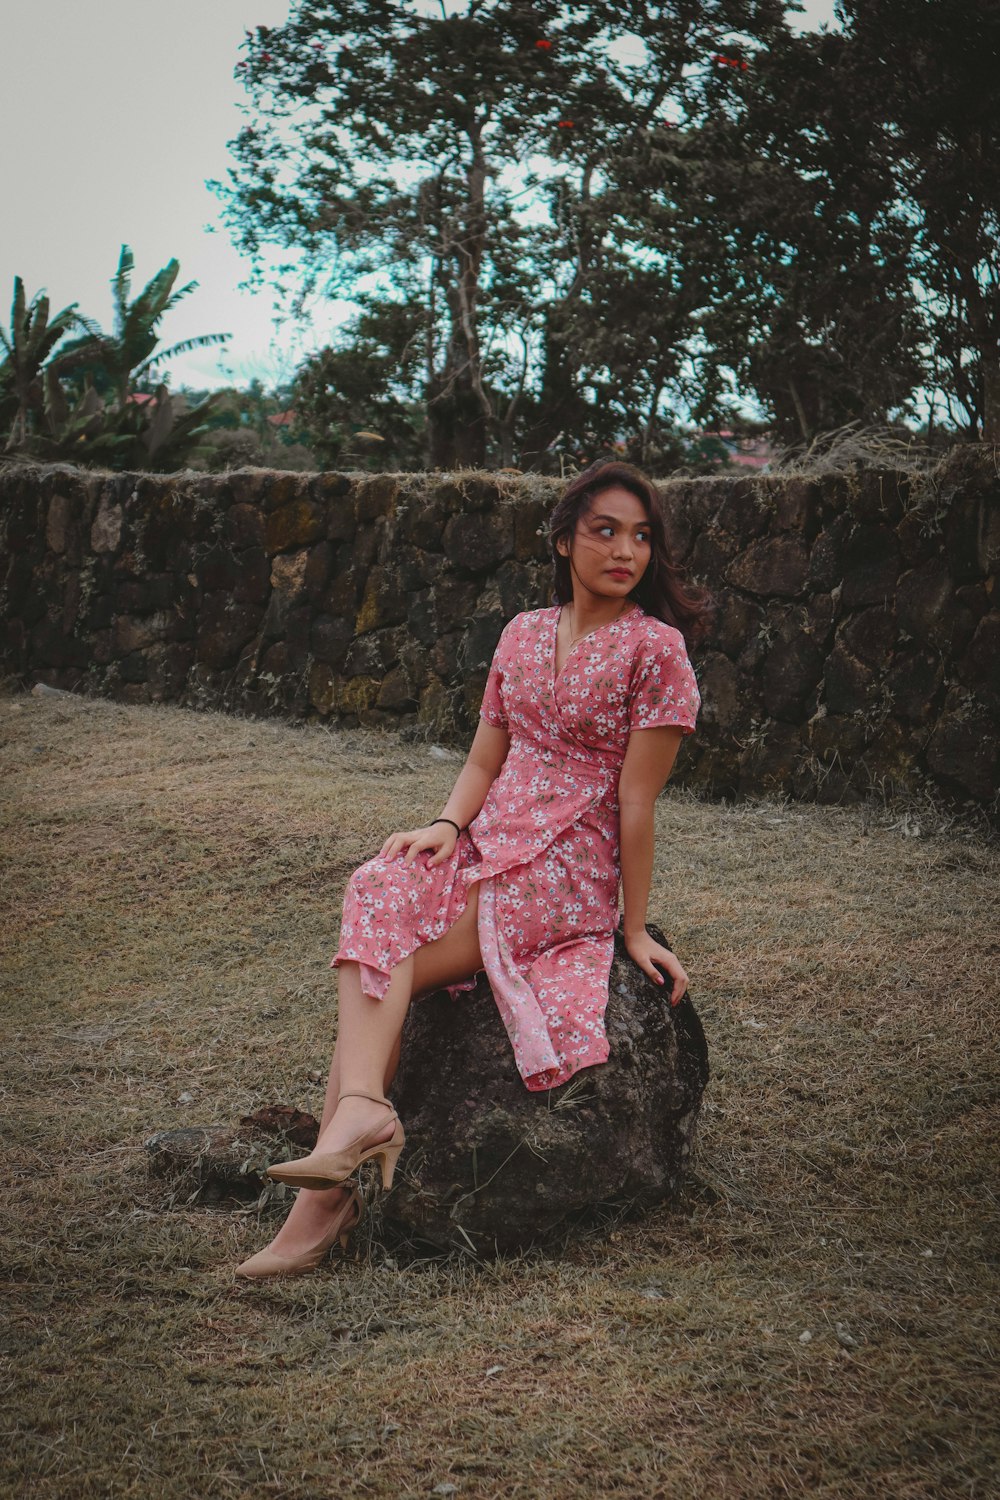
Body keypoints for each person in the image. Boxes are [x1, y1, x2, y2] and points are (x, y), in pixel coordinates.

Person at [235, 460, 710, 1279]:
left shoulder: (655, 650)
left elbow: (637, 804)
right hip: (491, 836)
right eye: (604, 530)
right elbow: (487, 755)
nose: (625, 549)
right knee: (378, 886)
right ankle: (360, 1118)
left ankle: (325, 1200)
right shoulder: (523, 632)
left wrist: (632, 927)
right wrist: (446, 825)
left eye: (641, 536)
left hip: (568, 859)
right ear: (564, 540)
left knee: (398, 952)